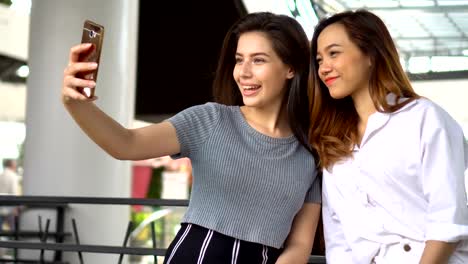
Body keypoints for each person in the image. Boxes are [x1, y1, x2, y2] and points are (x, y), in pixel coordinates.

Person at [62, 12, 321, 263]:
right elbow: (126, 144)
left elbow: (299, 245)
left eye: (258, 60)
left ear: (291, 68)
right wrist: (76, 104)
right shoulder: (209, 120)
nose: (243, 72)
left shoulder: (310, 152)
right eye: (239, 59)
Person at [308, 9, 468, 264]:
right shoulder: (335, 141)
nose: (324, 68)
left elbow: (447, 221)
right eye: (319, 59)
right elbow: (340, 241)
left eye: (333, 53)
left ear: (370, 53)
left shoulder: (425, 119)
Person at [0, 159, 21, 230]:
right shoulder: (13, 176)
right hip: (10, 208)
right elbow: (14, 193)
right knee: (13, 231)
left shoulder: (1, 175)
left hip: (1, 207)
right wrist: (16, 207)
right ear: (12, 165)